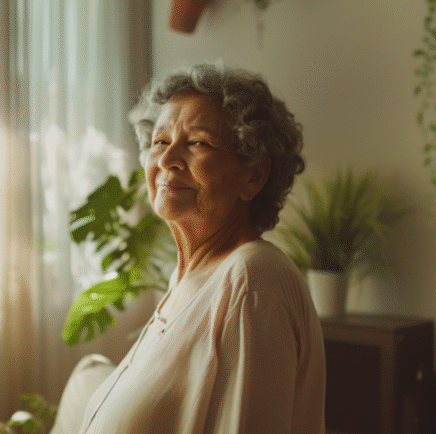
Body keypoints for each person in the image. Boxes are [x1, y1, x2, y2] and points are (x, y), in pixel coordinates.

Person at [78, 64, 326, 433]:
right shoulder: (190, 277)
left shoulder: (251, 281)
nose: (166, 160)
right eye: (160, 142)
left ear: (253, 175)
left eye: (197, 142)